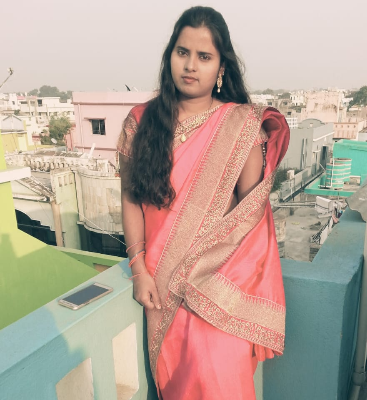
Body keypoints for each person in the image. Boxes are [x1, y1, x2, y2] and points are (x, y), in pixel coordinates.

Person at [117, 6, 290, 399]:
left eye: (204, 56)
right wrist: (138, 268)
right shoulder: (140, 122)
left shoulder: (242, 125)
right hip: (162, 290)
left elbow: (250, 221)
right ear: (170, 56)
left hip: (217, 292)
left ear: (221, 67)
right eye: (183, 52)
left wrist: (211, 281)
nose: (191, 65)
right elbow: (130, 200)